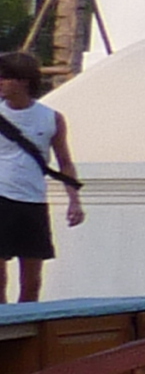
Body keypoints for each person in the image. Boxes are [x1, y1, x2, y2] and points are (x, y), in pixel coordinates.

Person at [0, 48, 83, 302]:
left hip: (33, 202)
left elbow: (64, 162)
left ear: (23, 81)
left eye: (5, 77)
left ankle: (25, 327)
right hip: (1, 197)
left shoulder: (51, 118)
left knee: (32, 282)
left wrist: (74, 200)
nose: (1, 83)